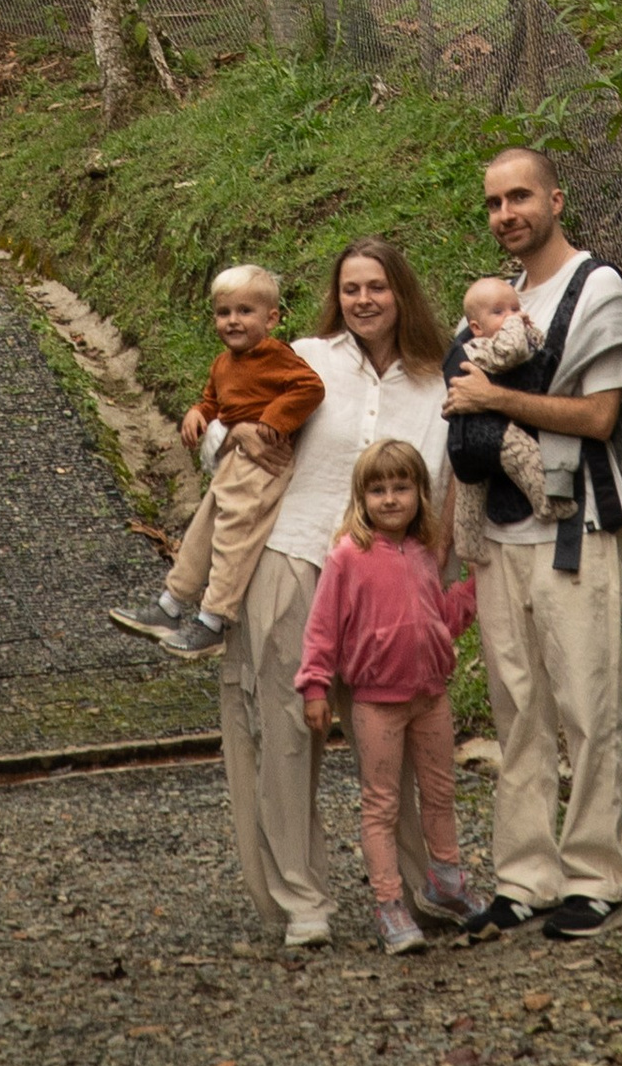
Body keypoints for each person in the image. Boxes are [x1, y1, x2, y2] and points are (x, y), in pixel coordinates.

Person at [217, 236, 452, 951]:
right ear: (336, 296)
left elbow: (445, 491)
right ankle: (303, 900)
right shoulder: (305, 359)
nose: (363, 300)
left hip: (387, 583)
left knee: (400, 734)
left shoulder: (439, 382)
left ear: (401, 292)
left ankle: (425, 887)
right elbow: (228, 415)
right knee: (287, 733)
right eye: (351, 288)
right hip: (295, 559)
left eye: (377, 286)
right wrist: (230, 439)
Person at [446, 145, 622, 942]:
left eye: (520, 197)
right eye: (495, 203)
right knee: (516, 709)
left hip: (576, 527)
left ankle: (596, 874)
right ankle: (525, 875)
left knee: (588, 701)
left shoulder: (597, 289)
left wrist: (493, 397)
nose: (507, 215)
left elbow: (600, 417)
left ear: (556, 199)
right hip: (499, 534)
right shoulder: (500, 302)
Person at [296, 436, 493, 954]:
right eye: (377, 490)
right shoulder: (347, 557)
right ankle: (389, 904)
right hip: (375, 703)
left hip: (431, 696)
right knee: (381, 804)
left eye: (401, 487)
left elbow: (442, 621)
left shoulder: (426, 552)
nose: (390, 499)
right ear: (361, 499)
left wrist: (473, 589)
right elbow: (322, 629)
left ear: (419, 493)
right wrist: (314, 685)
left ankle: (446, 879)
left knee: (440, 790)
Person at [107, 265, 323, 657]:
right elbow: (213, 401)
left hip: (263, 462)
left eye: (245, 312)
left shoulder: (276, 356)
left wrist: (274, 418)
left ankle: (213, 620)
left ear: (271, 318)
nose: (233, 321)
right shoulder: (223, 363)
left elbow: (310, 387)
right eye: (224, 313)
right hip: (234, 461)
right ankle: (171, 604)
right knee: (202, 531)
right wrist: (198, 414)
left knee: (233, 538)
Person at [440, 275, 549, 565]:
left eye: (515, 309)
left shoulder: (484, 341)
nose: (512, 317)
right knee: (524, 455)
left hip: (468, 435)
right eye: (499, 312)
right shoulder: (482, 348)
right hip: (490, 431)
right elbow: (514, 351)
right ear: (476, 328)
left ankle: (468, 545)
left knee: (471, 490)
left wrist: (529, 329)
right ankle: (548, 501)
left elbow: (537, 345)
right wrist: (519, 326)